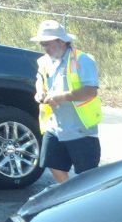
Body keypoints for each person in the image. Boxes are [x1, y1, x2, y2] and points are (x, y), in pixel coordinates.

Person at [31, 19, 102, 183]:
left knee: (88, 177)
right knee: (53, 163)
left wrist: (62, 97)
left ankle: (85, 203)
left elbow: (90, 92)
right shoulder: (44, 61)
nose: (45, 48)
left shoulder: (82, 60)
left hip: (80, 130)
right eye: (43, 44)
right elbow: (39, 80)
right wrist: (40, 93)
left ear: (61, 42)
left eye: (47, 43)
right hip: (55, 127)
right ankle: (70, 195)